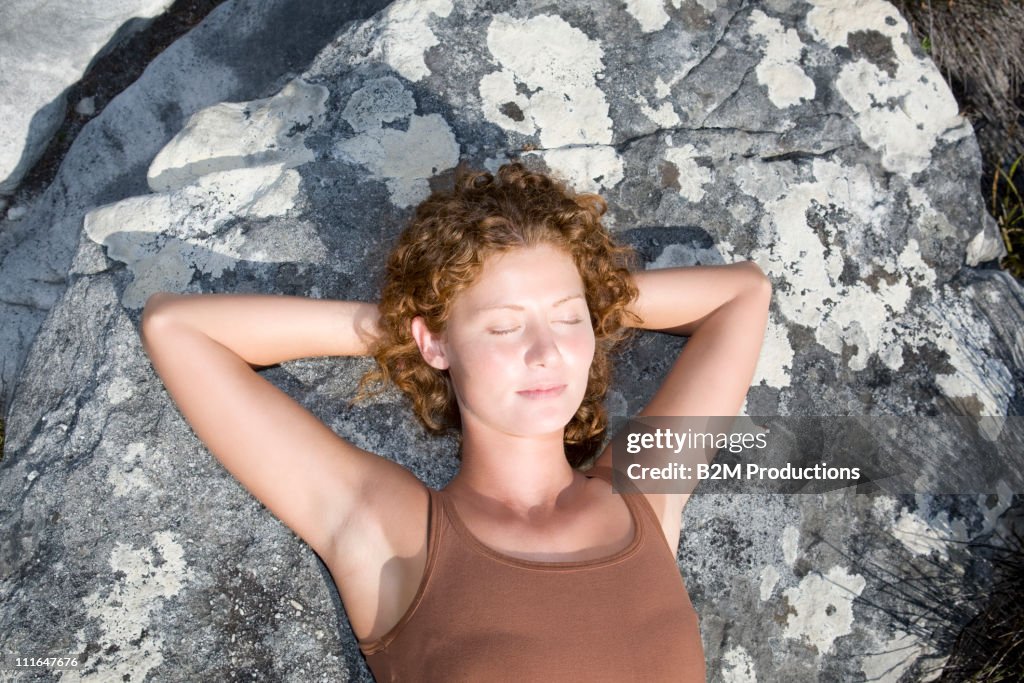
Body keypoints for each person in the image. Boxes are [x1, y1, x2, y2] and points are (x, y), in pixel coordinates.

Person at [140, 161, 771, 681]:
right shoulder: (393, 530)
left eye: (569, 320)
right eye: (503, 327)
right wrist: (413, 334)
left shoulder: (645, 492)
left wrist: (581, 302)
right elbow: (179, 329)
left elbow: (743, 294)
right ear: (437, 344)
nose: (545, 352)